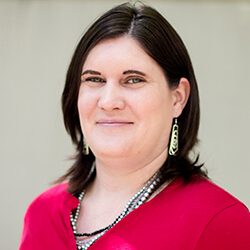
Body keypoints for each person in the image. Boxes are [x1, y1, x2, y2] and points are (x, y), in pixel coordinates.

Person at [19, 2, 250, 250]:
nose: (108, 102)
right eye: (94, 79)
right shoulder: (43, 214)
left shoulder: (220, 221)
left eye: (133, 80)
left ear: (178, 97)